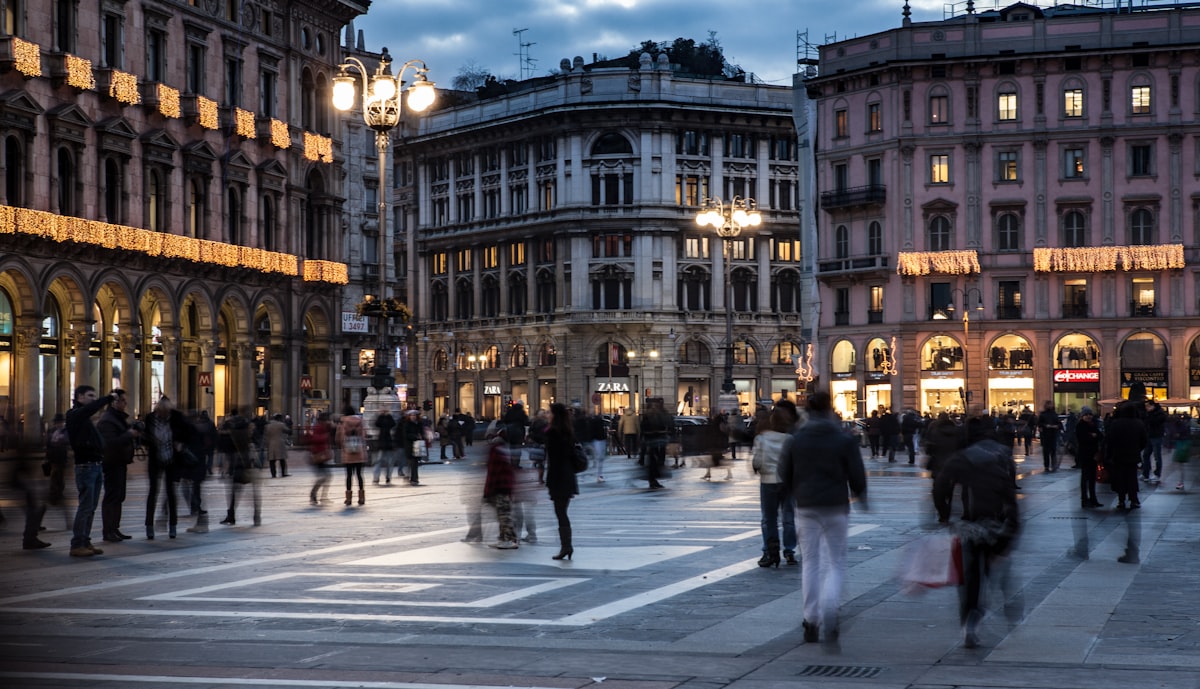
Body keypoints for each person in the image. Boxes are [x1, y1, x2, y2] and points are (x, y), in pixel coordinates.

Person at [779, 391, 868, 646]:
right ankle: (831, 609)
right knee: (836, 562)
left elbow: (785, 472)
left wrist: (788, 495)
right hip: (836, 505)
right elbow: (856, 472)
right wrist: (861, 495)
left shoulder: (797, 439)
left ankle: (810, 618)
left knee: (811, 563)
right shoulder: (843, 439)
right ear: (830, 409)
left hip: (806, 505)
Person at [933, 436, 1022, 649]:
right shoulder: (1000, 462)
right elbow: (1010, 501)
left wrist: (944, 514)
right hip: (995, 527)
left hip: (968, 527)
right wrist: (1010, 536)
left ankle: (969, 619)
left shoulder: (959, 462)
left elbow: (939, 488)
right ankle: (996, 602)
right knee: (993, 571)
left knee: (970, 577)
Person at [65, 385, 115, 557]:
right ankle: (77, 544)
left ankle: (85, 541)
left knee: (91, 507)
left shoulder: (85, 419)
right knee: (85, 507)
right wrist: (107, 399)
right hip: (85, 466)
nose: (94, 399)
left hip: (95, 464)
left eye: (95, 395)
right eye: (90, 395)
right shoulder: (74, 415)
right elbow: (92, 408)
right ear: (79, 397)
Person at [751, 405, 798, 567]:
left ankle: (769, 551)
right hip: (787, 483)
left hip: (768, 481)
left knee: (768, 518)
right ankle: (789, 551)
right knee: (788, 517)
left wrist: (758, 468)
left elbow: (757, 461)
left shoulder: (761, 438)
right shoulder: (790, 439)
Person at [142, 396, 193, 540]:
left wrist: (180, 443)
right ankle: (149, 527)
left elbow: (189, 433)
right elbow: (146, 437)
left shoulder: (177, 417)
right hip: (155, 459)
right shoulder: (150, 418)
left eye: (166, 411)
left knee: (171, 493)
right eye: (161, 411)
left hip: (172, 459)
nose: (163, 414)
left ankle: (173, 526)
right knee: (153, 492)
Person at [97, 391, 139, 542]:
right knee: (112, 496)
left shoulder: (117, 418)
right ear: (114, 402)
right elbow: (110, 443)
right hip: (112, 462)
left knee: (119, 496)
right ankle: (108, 531)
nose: (125, 403)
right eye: (122, 401)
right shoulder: (108, 420)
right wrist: (129, 434)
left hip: (120, 462)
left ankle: (114, 528)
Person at [544, 402, 579, 560]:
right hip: (567, 475)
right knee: (562, 512)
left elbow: (553, 458)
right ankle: (566, 546)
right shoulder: (567, 431)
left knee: (561, 513)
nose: (547, 415)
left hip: (558, 477)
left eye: (549, 412)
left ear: (555, 415)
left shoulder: (553, 432)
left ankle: (566, 546)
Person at [219, 407, 259, 526]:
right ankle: (256, 515)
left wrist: (223, 467)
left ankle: (231, 515)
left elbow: (224, 447)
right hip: (249, 461)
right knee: (254, 491)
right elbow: (257, 440)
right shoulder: (248, 426)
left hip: (236, 462)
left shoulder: (230, 426)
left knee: (233, 491)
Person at [1106, 401, 1147, 515]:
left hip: (1118, 455)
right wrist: (1137, 449)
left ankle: (1121, 500)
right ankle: (1134, 499)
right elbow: (1144, 440)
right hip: (1133, 455)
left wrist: (1110, 454)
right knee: (1132, 478)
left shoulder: (1116, 423)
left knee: (1120, 478)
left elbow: (1110, 440)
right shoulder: (1138, 423)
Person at [483, 430, 519, 549]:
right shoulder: (503, 448)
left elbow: (493, 471)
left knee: (503, 514)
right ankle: (506, 537)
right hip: (504, 485)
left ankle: (508, 539)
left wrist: (488, 490)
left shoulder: (496, 449)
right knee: (503, 513)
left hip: (499, 485)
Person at [337, 405, 367, 506]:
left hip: (348, 452)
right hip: (359, 451)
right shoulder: (360, 421)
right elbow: (364, 436)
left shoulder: (343, 422)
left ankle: (348, 499)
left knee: (349, 475)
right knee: (359, 475)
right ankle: (361, 497)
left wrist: (342, 445)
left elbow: (340, 437)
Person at [1075, 407, 1103, 508]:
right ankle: (1084, 499)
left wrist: (1093, 435)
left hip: (1093, 455)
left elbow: (1100, 436)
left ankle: (1093, 498)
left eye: (1090, 414)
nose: (1088, 416)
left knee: (1092, 478)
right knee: (1085, 478)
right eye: (1086, 415)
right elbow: (1083, 438)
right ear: (1082, 416)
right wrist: (1092, 436)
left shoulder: (1093, 425)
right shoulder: (1080, 426)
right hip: (1085, 455)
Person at [640, 399, 671, 489]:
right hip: (655, 440)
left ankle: (652, 480)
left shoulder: (648, 415)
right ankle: (653, 480)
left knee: (653, 461)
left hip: (651, 441)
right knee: (655, 461)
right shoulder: (656, 415)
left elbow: (643, 428)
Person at [44, 412, 70, 511]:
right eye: (58, 422)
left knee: (60, 477)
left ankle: (58, 493)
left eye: (61, 422)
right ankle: (54, 495)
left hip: (62, 457)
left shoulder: (65, 431)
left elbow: (67, 442)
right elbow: (47, 443)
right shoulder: (51, 431)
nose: (60, 424)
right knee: (55, 476)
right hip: (53, 457)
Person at [308, 411, 335, 505]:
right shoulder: (318, 427)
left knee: (326, 476)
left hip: (323, 455)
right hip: (317, 455)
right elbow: (315, 439)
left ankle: (321, 496)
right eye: (327, 420)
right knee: (324, 477)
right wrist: (325, 436)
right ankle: (314, 494)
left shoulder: (325, 428)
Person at [1141, 399, 1167, 483]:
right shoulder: (1149, 414)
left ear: (1153, 406)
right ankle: (1146, 473)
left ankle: (1157, 474)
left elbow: (1155, 422)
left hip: (1156, 436)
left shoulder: (1159, 414)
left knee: (1157, 456)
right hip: (1150, 436)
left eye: (1148, 406)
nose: (1146, 408)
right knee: (1146, 455)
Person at [399, 408, 424, 486]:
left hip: (417, 446)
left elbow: (421, 432)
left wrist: (421, 435)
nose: (413, 417)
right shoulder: (407, 424)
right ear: (409, 416)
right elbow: (406, 435)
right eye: (412, 415)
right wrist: (415, 436)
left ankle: (414, 478)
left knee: (415, 463)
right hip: (409, 446)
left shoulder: (418, 423)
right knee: (412, 463)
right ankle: (413, 478)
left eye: (414, 415)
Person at [373, 409, 397, 485]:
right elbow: (377, 424)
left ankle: (388, 477)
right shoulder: (381, 420)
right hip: (382, 443)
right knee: (379, 461)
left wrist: (388, 415)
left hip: (388, 443)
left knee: (388, 462)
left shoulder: (389, 419)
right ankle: (376, 478)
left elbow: (393, 424)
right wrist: (381, 415)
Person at [1037, 401, 1063, 472]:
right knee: (1047, 451)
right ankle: (1047, 466)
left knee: (1052, 451)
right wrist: (1045, 426)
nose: (1049, 406)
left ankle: (1052, 465)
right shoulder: (1044, 414)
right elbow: (1039, 424)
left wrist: (1056, 426)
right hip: (1046, 435)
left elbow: (1059, 424)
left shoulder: (1054, 414)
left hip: (1052, 434)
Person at [265, 414, 291, 478]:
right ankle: (283, 473)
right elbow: (288, 431)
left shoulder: (268, 426)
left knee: (272, 460)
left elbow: (266, 436)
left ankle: (273, 474)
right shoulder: (281, 425)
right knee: (282, 459)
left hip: (271, 443)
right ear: (279, 418)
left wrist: (266, 444)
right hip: (280, 443)